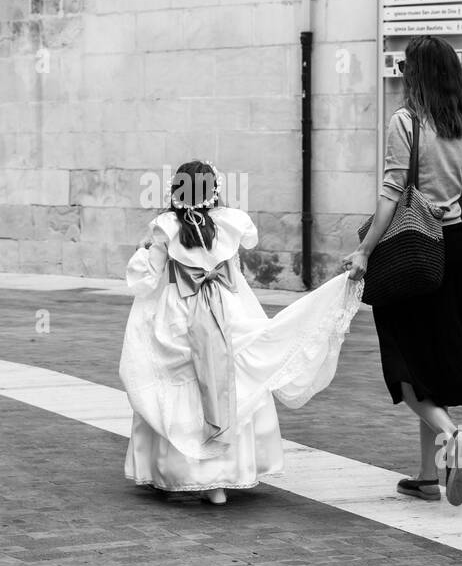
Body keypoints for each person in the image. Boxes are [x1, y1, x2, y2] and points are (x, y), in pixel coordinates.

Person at [121, 160, 362, 504]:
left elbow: (145, 280)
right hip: (223, 308)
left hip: (179, 311)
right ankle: (218, 481)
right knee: (227, 377)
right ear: (213, 192)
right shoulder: (228, 225)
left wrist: (144, 247)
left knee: (182, 380)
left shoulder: (164, 228)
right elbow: (235, 279)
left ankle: (176, 471)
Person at [342, 36, 462, 507]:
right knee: (431, 365)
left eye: (405, 66)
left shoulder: (406, 121)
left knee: (404, 366)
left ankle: (453, 436)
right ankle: (424, 475)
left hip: (412, 253)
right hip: (454, 253)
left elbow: (392, 193)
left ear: (417, 74)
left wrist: (363, 252)